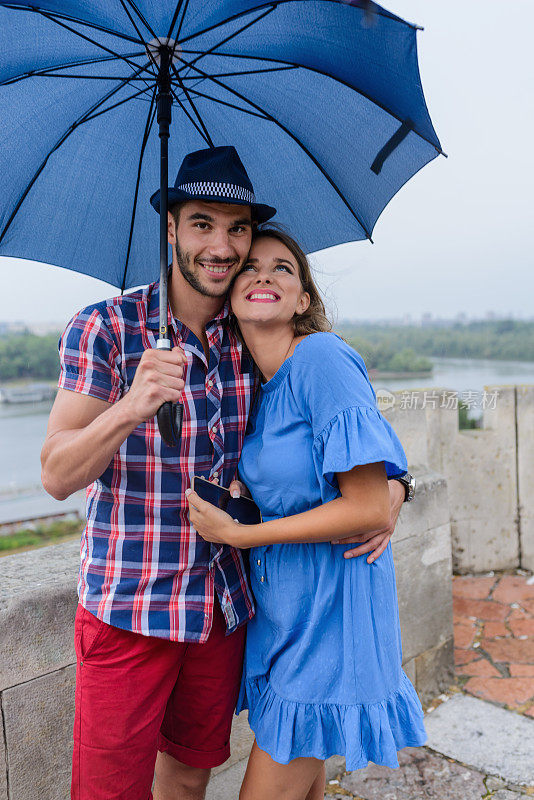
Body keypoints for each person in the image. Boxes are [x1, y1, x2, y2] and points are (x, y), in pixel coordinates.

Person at [41, 146, 409, 800]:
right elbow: (56, 474)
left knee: (187, 777)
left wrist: (394, 488)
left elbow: (342, 420)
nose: (223, 244)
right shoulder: (107, 327)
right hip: (130, 605)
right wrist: (131, 405)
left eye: (238, 227)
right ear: (172, 228)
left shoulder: (253, 335)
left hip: (223, 609)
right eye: (204, 223)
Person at [186, 226, 426, 800]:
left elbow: (366, 502)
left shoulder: (321, 358)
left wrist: (243, 535)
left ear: (304, 300)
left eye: (283, 269)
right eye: (250, 268)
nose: (263, 275)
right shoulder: (266, 390)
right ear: (229, 293)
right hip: (286, 616)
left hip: (331, 613)